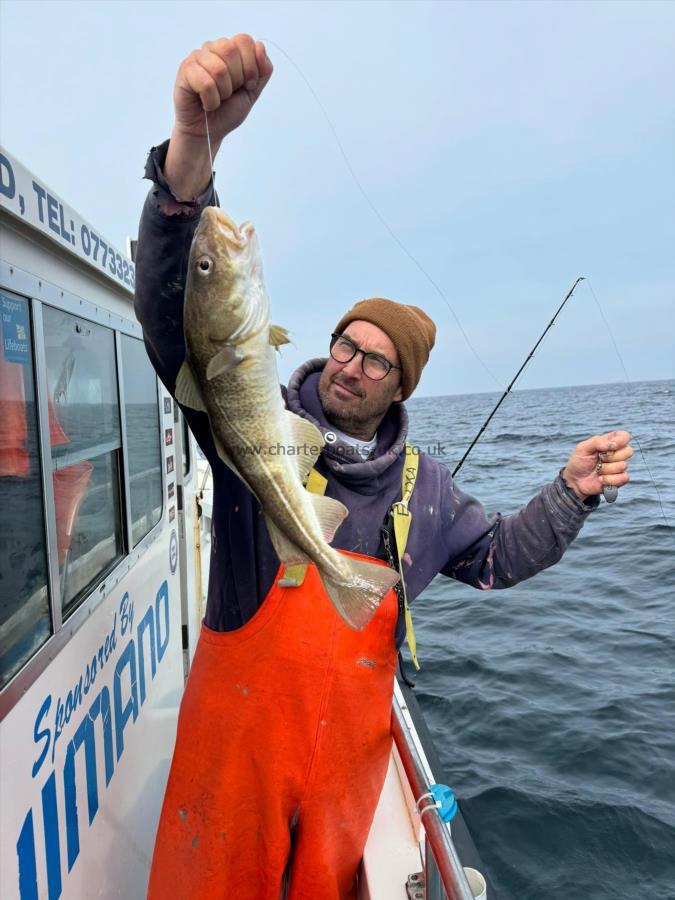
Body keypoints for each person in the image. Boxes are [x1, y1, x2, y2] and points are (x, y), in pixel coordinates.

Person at [134, 35, 633, 900]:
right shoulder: (261, 422)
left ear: (402, 383)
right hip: (235, 753)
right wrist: (185, 176)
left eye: (374, 359)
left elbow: (495, 559)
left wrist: (568, 495)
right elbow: (180, 327)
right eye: (342, 343)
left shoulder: (426, 489)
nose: (348, 364)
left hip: (345, 771)